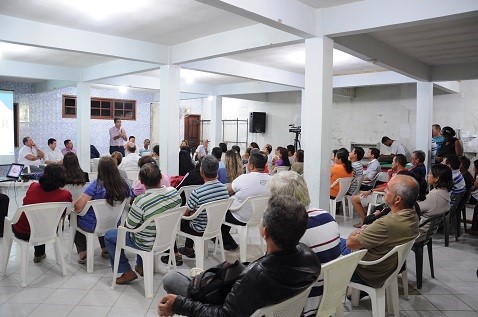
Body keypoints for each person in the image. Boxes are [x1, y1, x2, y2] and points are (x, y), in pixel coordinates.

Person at [158, 195, 321, 317]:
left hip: (239, 307)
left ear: (265, 232)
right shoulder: (310, 258)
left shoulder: (254, 276)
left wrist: (179, 304)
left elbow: (226, 315)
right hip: (258, 302)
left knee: (171, 279)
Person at [267, 171, 342, 317]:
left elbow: (271, 271)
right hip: (330, 293)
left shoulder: (289, 230)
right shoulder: (326, 216)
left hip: (302, 304)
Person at [104, 162, 181, 284]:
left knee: (109, 235)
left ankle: (126, 271)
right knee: (143, 227)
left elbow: (129, 226)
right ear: (161, 177)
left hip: (146, 243)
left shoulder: (141, 201)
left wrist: (122, 228)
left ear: (142, 182)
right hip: (167, 239)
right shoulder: (174, 193)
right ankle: (141, 266)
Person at [346, 175, 419, 289]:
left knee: (330, 248)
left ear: (397, 199)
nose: (384, 190)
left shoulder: (388, 224)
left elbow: (350, 243)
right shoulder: (412, 214)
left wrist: (355, 233)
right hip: (386, 268)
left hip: (368, 273)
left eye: (388, 189)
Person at [161, 155, 228, 264]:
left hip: (198, 228)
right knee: (194, 216)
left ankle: (175, 255)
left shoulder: (198, 192)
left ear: (201, 171)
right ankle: (188, 248)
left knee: (172, 222)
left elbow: (186, 215)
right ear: (217, 171)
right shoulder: (224, 189)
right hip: (215, 226)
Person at [72, 156, 131, 264]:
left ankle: (83, 252)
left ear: (100, 170)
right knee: (102, 216)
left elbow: (78, 207)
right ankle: (105, 248)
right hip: (114, 222)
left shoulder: (95, 185)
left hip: (93, 224)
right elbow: (129, 199)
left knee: (75, 217)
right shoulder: (124, 184)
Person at [11, 164, 72, 263]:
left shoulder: (33, 186)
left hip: (23, 231)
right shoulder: (65, 195)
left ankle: (39, 254)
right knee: (42, 221)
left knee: (35, 220)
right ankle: (39, 253)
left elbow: (25, 203)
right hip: (49, 230)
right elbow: (64, 214)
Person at [221, 152, 270, 250]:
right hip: (259, 217)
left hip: (240, 217)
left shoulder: (244, 178)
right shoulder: (271, 179)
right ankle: (228, 242)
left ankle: (228, 243)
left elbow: (226, 192)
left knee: (220, 214)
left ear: (251, 166)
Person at [351, 154, 408, 227]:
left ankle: (365, 220)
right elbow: (389, 185)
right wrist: (390, 175)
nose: (392, 163)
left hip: (384, 197)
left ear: (397, 163)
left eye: (393, 162)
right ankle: (367, 217)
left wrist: (371, 191)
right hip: (387, 195)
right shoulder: (403, 173)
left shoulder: (398, 176)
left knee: (354, 199)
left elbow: (388, 188)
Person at [416, 164, 453, 241]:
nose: (428, 175)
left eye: (430, 173)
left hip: (419, 232)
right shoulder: (445, 192)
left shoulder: (434, 196)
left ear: (436, 178)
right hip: (428, 230)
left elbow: (415, 208)